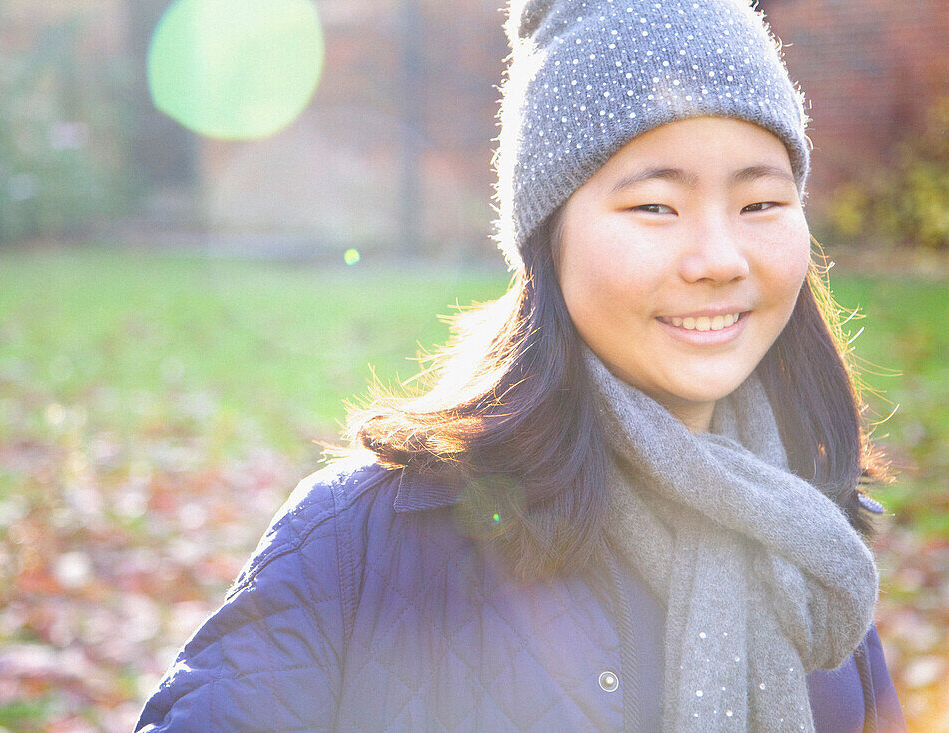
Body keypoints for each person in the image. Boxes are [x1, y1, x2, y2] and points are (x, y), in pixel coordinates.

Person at [136, 0, 907, 730]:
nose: (719, 257)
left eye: (761, 203)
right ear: (549, 237)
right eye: (656, 207)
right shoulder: (360, 542)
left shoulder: (815, 551)